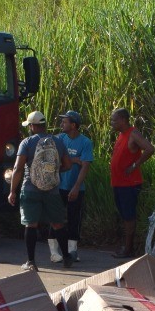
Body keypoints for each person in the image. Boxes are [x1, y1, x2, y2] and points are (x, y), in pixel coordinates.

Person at [8, 110, 69, 272]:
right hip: (53, 189)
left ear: (33, 126)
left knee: (31, 224)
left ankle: (31, 262)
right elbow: (68, 165)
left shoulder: (27, 143)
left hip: (30, 188)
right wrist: (52, 172)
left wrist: (12, 190)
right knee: (58, 223)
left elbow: (18, 168)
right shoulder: (58, 142)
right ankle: (67, 258)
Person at [108, 107, 155, 258]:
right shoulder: (121, 135)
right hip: (118, 182)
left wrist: (135, 165)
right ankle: (126, 246)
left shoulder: (133, 134)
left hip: (129, 184)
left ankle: (128, 249)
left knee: (129, 216)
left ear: (123, 120)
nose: (112, 123)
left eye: (114, 120)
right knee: (124, 215)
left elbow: (149, 149)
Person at [53, 110, 93, 265]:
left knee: (74, 219)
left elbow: (85, 166)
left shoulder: (85, 143)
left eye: (65, 121)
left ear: (73, 125)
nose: (62, 124)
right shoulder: (60, 139)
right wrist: (73, 159)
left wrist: (76, 187)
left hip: (75, 187)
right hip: (58, 186)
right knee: (56, 218)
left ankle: (72, 250)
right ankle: (55, 252)